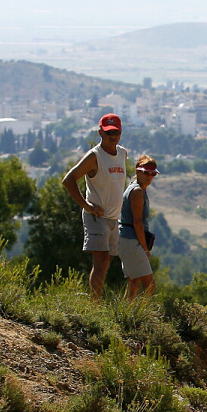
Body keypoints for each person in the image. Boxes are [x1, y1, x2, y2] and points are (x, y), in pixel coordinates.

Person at [62, 113, 129, 299]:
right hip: (97, 217)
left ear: (121, 132)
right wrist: (87, 206)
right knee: (100, 263)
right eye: (108, 132)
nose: (112, 136)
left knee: (106, 261)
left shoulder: (122, 153)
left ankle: (95, 302)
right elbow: (69, 180)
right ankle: (94, 307)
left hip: (113, 218)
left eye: (115, 132)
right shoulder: (94, 156)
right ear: (100, 132)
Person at [118, 155, 159, 300]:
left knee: (133, 281)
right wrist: (145, 248)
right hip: (131, 240)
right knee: (149, 284)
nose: (149, 176)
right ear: (138, 170)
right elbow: (137, 223)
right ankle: (142, 314)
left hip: (125, 238)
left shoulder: (137, 187)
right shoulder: (137, 191)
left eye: (152, 173)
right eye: (146, 172)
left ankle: (127, 312)